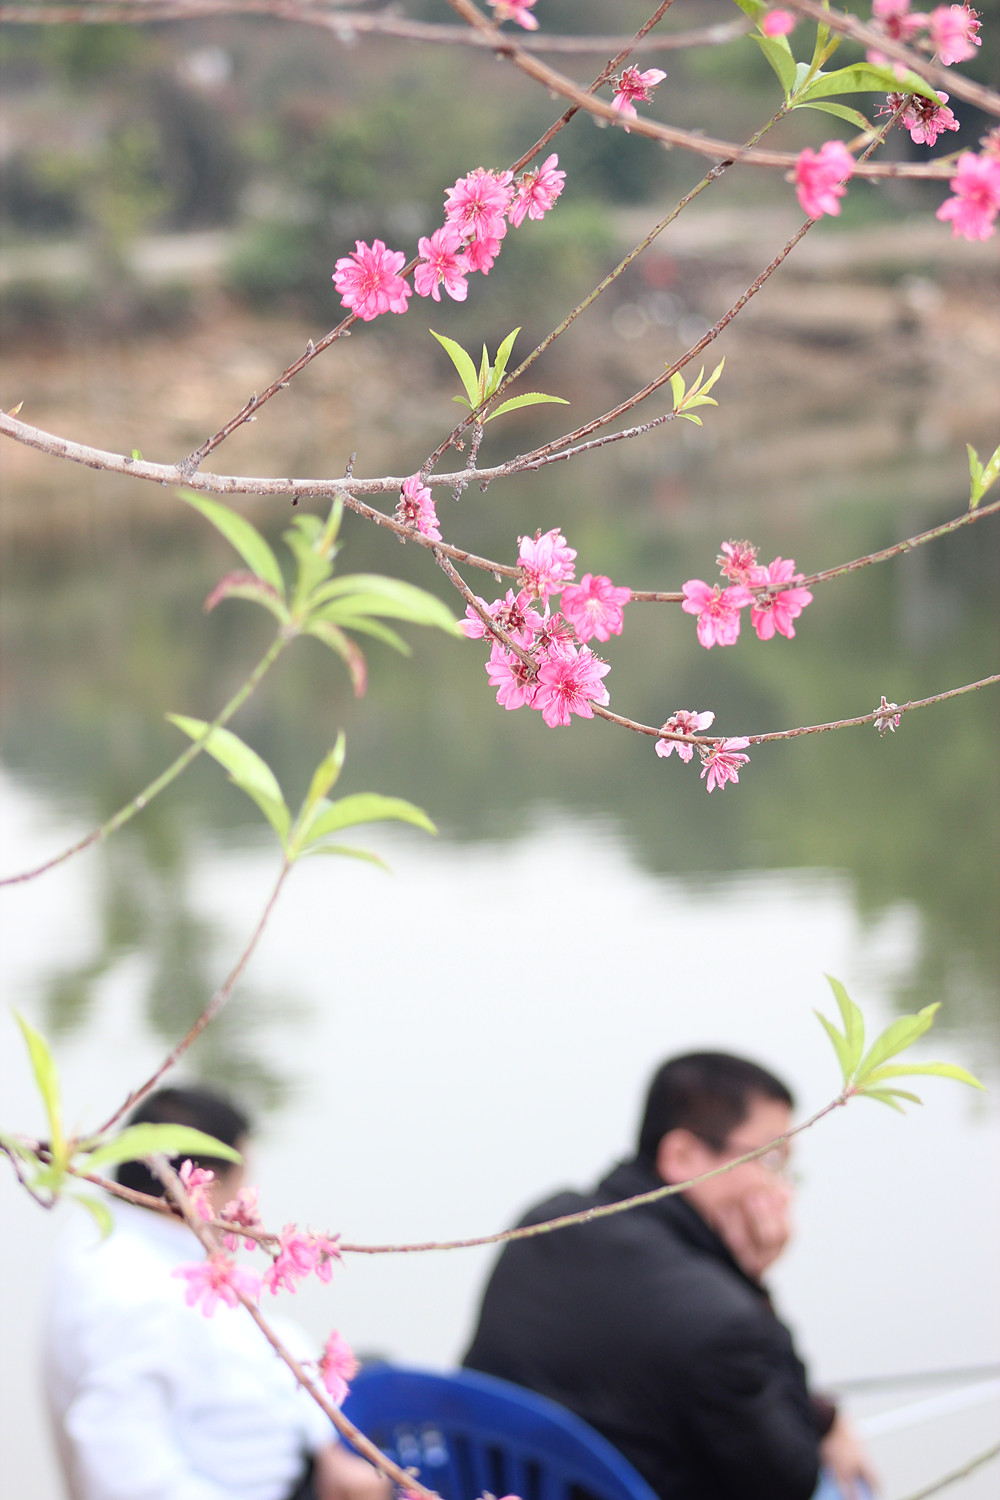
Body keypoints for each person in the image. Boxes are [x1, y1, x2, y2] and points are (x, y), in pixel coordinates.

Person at [463, 1052, 877, 1500]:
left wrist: (824, 1416)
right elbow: (793, 1480)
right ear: (681, 1155)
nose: (784, 1190)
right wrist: (752, 1286)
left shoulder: (543, 1223)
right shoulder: (723, 1317)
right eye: (770, 1160)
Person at [45, 1085, 388, 1500]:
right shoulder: (139, 1296)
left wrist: (324, 1443)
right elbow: (119, 1472)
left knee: (376, 1370)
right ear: (204, 1189)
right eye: (242, 1185)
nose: (245, 1208)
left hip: (285, 1451)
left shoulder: (103, 1233)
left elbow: (260, 1340)